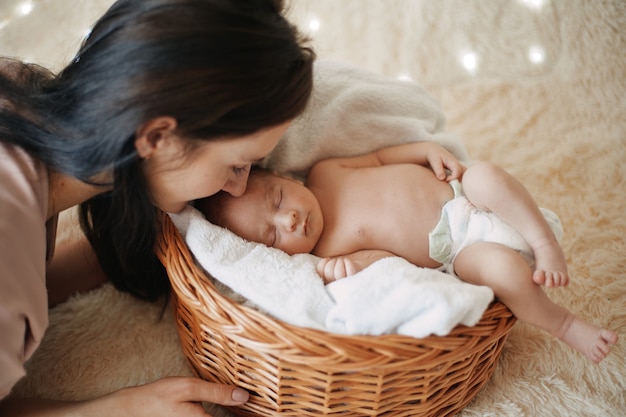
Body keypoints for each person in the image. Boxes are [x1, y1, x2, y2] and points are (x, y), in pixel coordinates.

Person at [0, 0, 314, 415]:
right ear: (156, 138)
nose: (239, 188)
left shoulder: (18, 91)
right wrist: (122, 407)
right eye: (236, 165)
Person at [197, 141, 618, 365]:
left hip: (462, 194)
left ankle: (544, 243)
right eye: (272, 238)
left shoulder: (327, 171)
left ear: (286, 177)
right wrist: (347, 267)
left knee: (486, 175)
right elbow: (387, 268)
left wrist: (424, 151)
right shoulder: (327, 250)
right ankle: (564, 325)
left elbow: (380, 156)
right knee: (505, 274)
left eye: (277, 200)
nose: (287, 221)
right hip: (458, 250)